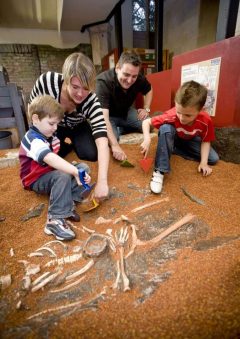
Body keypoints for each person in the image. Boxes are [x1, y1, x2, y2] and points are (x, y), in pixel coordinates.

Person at [29, 52, 109, 201]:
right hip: (54, 126)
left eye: (86, 88)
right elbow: (33, 112)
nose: (80, 94)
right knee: (46, 157)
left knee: (91, 154)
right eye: (75, 87)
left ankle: (70, 145)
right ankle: (61, 147)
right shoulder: (47, 82)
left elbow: (102, 140)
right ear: (66, 80)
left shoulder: (91, 100)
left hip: (77, 125)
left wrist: (103, 181)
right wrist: (36, 139)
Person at [19, 95, 92, 241]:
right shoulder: (32, 139)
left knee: (83, 167)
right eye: (51, 123)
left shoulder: (49, 135)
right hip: (35, 180)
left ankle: (68, 202)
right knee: (64, 175)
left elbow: (56, 160)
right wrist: (72, 171)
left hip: (49, 173)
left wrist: (76, 169)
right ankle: (54, 219)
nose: (55, 128)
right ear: (35, 119)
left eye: (57, 124)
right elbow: (50, 158)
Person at [141, 80, 219, 194]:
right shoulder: (172, 115)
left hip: (190, 140)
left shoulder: (206, 120)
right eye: (179, 112)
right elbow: (146, 122)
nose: (182, 118)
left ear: (200, 110)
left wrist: (203, 162)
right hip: (174, 136)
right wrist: (147, 139)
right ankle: (159, 171)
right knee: (165, 128)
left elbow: (206, 141)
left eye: (188, 115)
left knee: (213, 159)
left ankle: (172, 149)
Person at [96, 50, 153, 161]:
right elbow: (104, 118)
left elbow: (149, 89)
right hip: (109, 117)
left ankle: (121, 128)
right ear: (117, 68)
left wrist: (146, 108)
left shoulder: (139, 78)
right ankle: (117, 130)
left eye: (134, 76)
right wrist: (115, 145)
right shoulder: (103, 82)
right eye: (126, 74)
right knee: (111, 140)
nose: (129, 80)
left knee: (149, 125)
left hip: (126, 112)